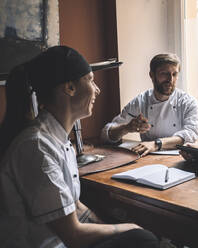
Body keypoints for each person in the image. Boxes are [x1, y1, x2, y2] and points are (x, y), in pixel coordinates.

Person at [0, 46, 159, 248]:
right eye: (91, 80)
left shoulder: (61, 142)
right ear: (70, 88)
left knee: (138, 236)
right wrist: (129, 228)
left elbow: (74, 207)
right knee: (143, 239)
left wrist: (114, 229)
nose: (97, 89)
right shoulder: (36, 147)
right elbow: (74, 235)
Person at [101, 53, 198, 156]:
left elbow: (191, 134)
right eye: (164, 73)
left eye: (174, 74)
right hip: (147, 156)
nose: (170, 80)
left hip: (179, 158)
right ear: (152, 75)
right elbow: (106, 134)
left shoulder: (188, 102)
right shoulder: (141, 101)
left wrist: (156, 144)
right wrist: (127, 127)